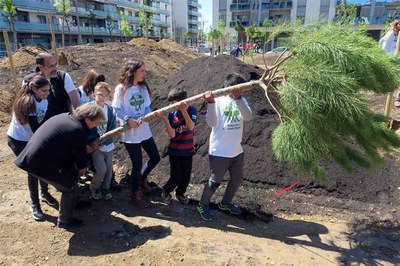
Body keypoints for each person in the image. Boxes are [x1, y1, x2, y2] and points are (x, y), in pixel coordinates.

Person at [15, 103, 104, 229]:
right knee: (71, 188)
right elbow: (80, 157)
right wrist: (82, 169)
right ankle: (65, 221)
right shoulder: (77, 129)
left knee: (71, 177)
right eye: (97, 122)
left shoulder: (67, 117)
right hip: (39, 163)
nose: (97, 125)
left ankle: (73, 203)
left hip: (35, 156)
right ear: (88, 119)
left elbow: (72, 146)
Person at [197, 73, 252, 221]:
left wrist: (239, 99)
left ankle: (225, 203)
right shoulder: (218, 101)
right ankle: (203, 204)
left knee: (237, 178)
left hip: (236, 150)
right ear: (230, 87)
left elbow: (248, 117)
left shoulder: (242, 101)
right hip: (220, 151)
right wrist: (210, 104)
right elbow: (211, 123)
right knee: (214, 182)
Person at [7, 75, 58, 221]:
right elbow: (36, 129)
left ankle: (44, 193)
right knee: (33, 169)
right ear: (34, 89)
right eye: (44, 90)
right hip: (18, 140)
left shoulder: (44, 99)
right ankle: (35, 204)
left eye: (48, 90)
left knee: (41, 165)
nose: (47, 93)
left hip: (32, 137)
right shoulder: (28, 103)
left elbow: (45, 121)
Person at [112, 60, 161, 208]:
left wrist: (148, 114)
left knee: (155, 157)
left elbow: (146, 106)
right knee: (137, 164)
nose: (145, 73)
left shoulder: (143, 88)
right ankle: (135, 194)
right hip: (130, 133)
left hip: (144, 130)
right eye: (142, 71)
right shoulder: (121, 88)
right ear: (133, 71)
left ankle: (141, 179)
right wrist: (128, 119)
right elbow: (116, 109)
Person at [155, 88, 197, 205]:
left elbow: (191, 127)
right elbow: (172, 134)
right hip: (175, 151)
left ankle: (180, 193)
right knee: (176, 176)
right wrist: (165, 119)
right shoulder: (171, 114)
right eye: (170, 104)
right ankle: (166, 190)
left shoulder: (192, 110)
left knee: (186, 176)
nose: (171, 106)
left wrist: (184, 111)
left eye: (174, 104)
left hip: (187, 151)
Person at [87, 82, 116, 200]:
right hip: (95, 146)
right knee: (101, 169)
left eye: (104, 95)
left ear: (108, 97)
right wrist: (94, 141)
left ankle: (106, 188)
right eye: (99, 94)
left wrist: (106, 140)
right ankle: (95, 187)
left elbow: (112, 126)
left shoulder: (109, 110)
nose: (101, 98)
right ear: (94, 95)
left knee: (109, 169)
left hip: (108, 144)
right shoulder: (90, 109)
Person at [379, 19, 400, 107]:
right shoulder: (391, 34)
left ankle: (398, 97)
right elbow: (384, 46)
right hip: (392, 58)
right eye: (398, 25)